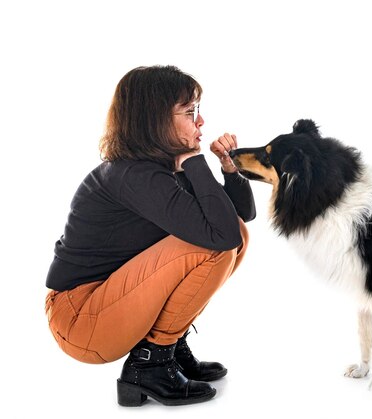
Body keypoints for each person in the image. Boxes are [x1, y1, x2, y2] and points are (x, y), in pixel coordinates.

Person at [44, 65, 256, 407]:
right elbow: (221, 236)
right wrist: (195, 161)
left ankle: (166, 347)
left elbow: (239, 218)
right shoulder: (134, 175)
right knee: (213, 246)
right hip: (79, 318)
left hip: (103, 304)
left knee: (236, 236)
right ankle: (151, 362)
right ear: (155, 120)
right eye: (189, 113)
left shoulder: (162, 170)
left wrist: (230, 170)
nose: (200, 123)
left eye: (197, 111)